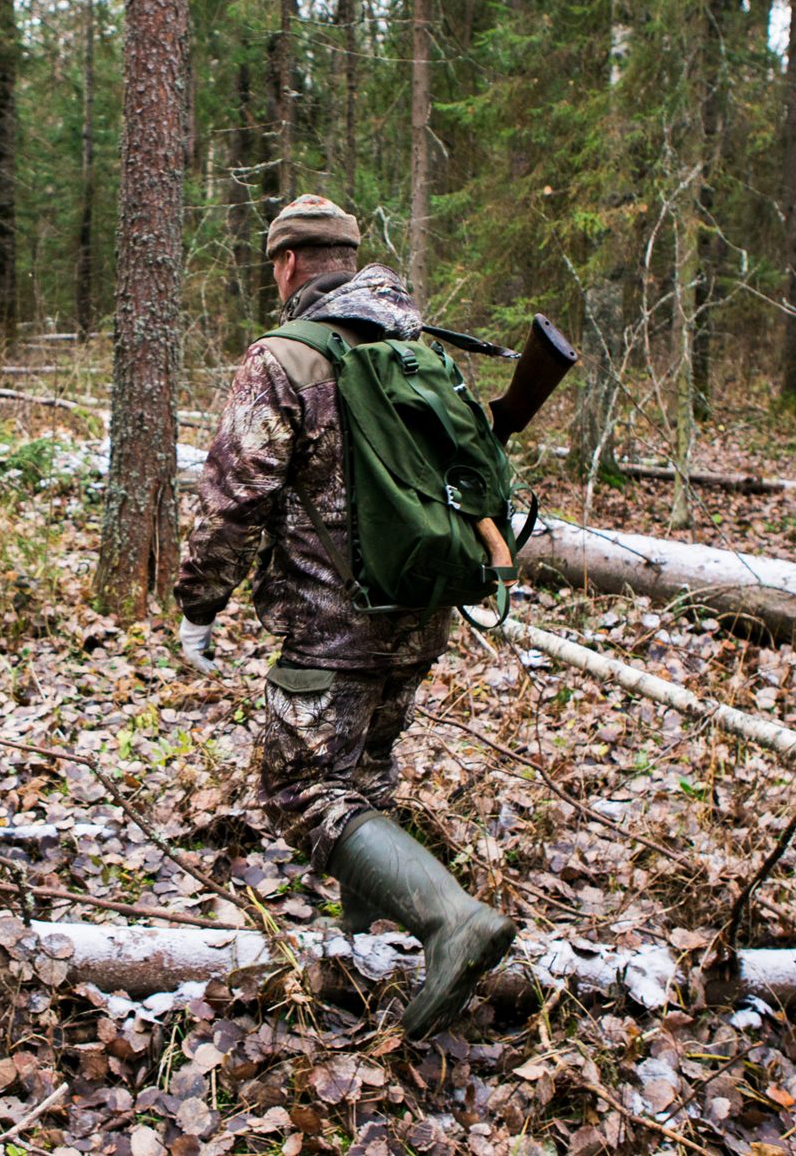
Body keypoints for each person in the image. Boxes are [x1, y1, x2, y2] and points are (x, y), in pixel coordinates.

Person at [174, 193, 516, 1038]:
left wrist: (199, 606)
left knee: (299, 791)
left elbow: (232, 499)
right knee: (362, 778)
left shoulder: (283, 359)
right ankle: (364, 956)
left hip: (331, 625)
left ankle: (451, 922)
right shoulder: (418, 347)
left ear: (288, 264)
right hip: (423, 609)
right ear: (352, 258)